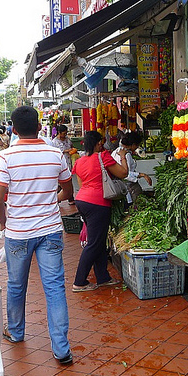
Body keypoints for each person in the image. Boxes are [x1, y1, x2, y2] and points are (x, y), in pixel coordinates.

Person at [0, 105, 74, 365]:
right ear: (39, 127)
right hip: (50, 231)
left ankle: (16, 332)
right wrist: (49, 201)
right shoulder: (55, 154)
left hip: (18, 233)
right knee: (55, 288)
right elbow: (67, 192)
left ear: (13, 130)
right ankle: (62, 349)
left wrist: (6, 224)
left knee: (16, 285)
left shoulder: (5, 157)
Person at [70, 130, 127, 292]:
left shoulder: (79, 161)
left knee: (99, 240)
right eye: (100, 142)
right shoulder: (103, 156)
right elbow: (123, 173)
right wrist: (123, 156)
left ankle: (103, 277)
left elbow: (82, 185)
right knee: (94, 243)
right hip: (98, 203)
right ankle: (79, 282)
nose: (102, 144)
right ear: (97, 143)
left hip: (82, 200)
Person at [112, 131, 152, 208]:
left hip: (118, 186)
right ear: (133, 145)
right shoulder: (125, 155)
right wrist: (142, 175)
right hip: (126, 187)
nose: (137, 148)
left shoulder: (115, 152)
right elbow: (126, 174)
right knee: (133, 207)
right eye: (137, 145)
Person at [51, 125, 76, 205]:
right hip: (59, 163)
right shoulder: (54, 142)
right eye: (63, 133)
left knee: (68, 180)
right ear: (59, 133)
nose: (65, 135)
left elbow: (72, 146)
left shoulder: (67, 140)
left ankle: (70, 198)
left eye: (66, 133)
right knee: (60, 183)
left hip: (68, 162)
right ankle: (57, 199)